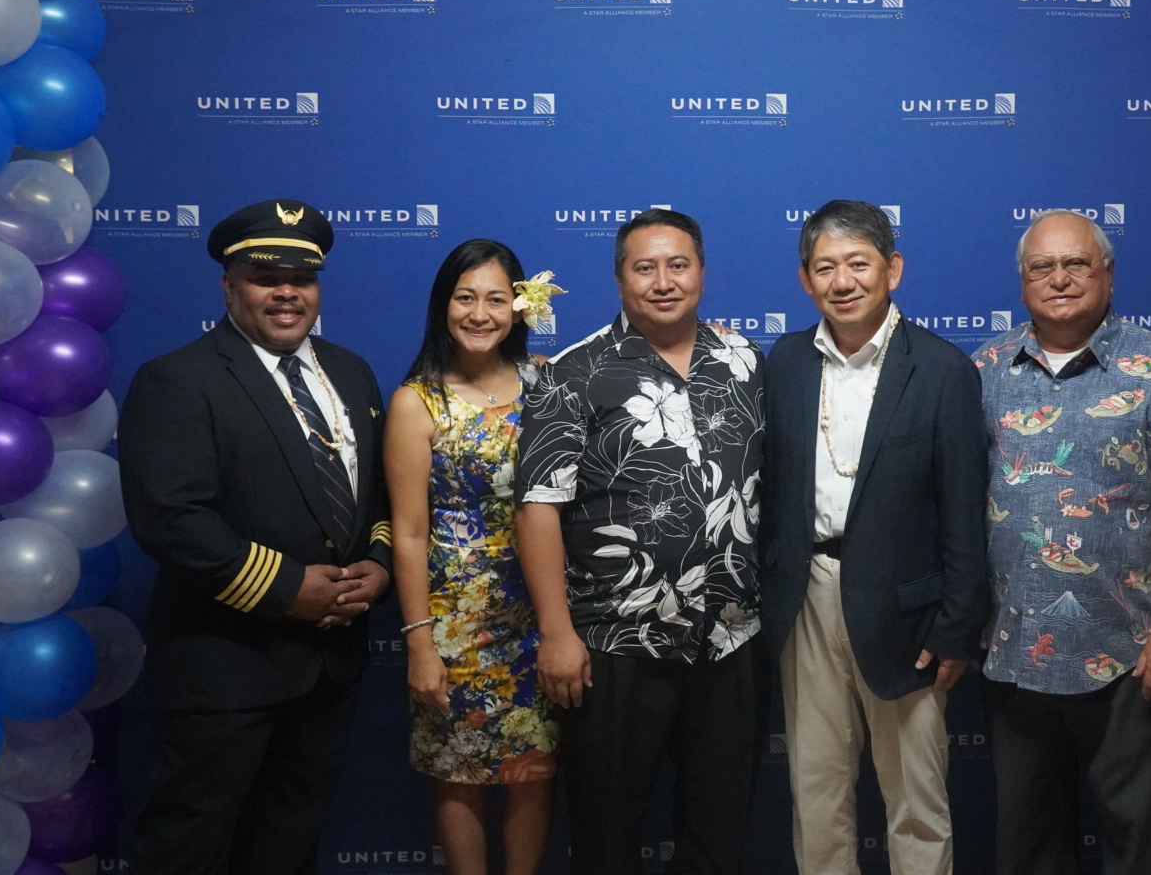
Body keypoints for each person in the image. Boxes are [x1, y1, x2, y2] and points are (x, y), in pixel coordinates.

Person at [120, 199, 393, 875]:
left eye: (301, 279)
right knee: (187, 846)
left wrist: (380, 562)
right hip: (226, 665)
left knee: (288, 845)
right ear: (228, 285)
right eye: (266, 278)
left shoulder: (352, 371)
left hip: (330, 664)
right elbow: (170, 518)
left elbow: (380, 496)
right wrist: (287, 588)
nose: (286, 294)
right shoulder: (177, 379)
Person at [972, 209, 1151, 875]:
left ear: (1109, 275)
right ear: (1022, 281)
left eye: (1076, 263)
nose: (1059, 278)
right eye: (1042, 267)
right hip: (1015, 648)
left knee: (1139, 845)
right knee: (1027, 848)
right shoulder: (984, 369)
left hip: (1132, 652)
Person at [513, 208, 766, 875]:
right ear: (620, 278)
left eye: (678, 265)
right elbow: (537, 507)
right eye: (644, 267)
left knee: (719, 829)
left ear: (702, 272)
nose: (663, 281)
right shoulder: (573, 372)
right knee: (606, 831)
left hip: (729, 636)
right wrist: (556, 633)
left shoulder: (743, 361)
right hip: (617, 640)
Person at [759, 199, 988, 875]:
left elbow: (964, 512)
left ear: (893, 269)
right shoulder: (785, 362)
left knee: (917, 802)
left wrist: (956, 627)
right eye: (825, 267)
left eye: (858, 263)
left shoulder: (942, 369)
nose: (843, 281)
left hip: (907, 615)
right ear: (805, 279)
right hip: (806, 601)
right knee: (816, 793)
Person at [386, 240, 563, 875]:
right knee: (458, 770)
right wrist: (419, 643)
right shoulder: (418, 402)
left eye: (495, 299)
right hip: (455, 621)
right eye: (465, 298)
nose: (480, 314)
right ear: (444, 305)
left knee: (533, 767)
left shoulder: (547, 381)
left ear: (519, 307)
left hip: (541, 612)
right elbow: (409, 532)